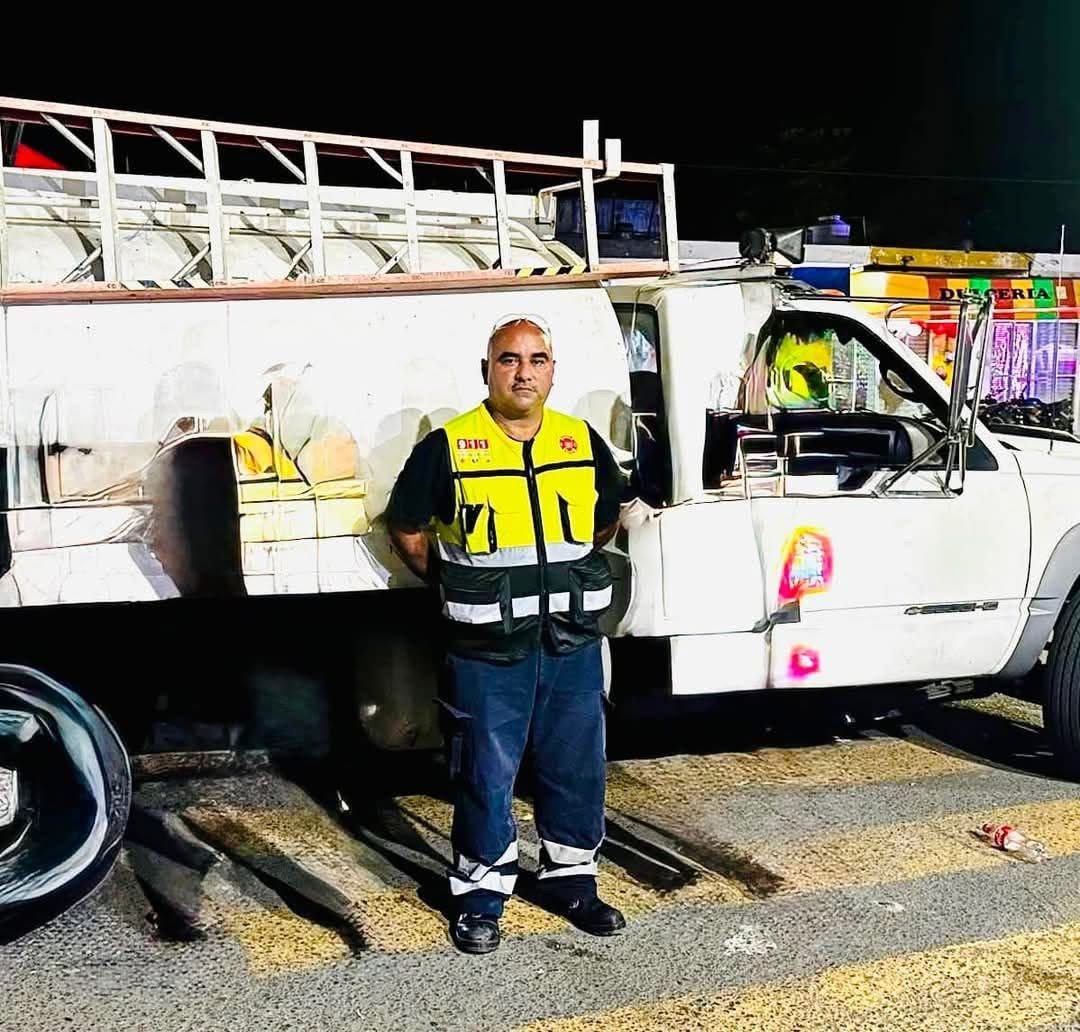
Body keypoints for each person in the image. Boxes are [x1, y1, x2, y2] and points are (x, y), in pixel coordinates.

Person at [386, 313, 626, 954]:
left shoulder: (582, 441)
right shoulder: (449, 445)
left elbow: (604, 521)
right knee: (485, 772)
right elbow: (406, 527)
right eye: (509, 360)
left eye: (537, 359)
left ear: (553, 370)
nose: (524, 372)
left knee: (577, 764)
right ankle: (480, 896)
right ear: (487, 370)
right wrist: (459, 586)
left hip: (571, 640)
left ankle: (571, 880)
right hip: (489, 648)